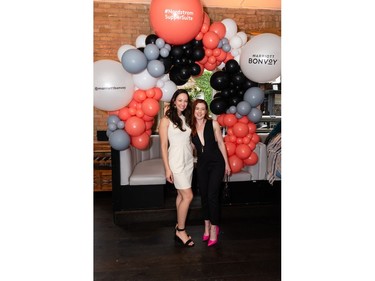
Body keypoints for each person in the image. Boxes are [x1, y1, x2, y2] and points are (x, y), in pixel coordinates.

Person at [190, 99, 231, 247]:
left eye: (203, 109)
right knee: (204, 197)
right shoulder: (190, 128)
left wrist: (226, 164)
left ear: (206, 111)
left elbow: (221, 143)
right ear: (193, 110)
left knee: (212, 195)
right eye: (197, 109)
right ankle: (206, 226)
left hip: (217, 164)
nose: (200, 112)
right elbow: (190, 148)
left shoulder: (213, 124)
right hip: (201, 165)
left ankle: (214, 229)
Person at [159, 89, 195, 247]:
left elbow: (189, 141)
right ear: (174, 101)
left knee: (181, 196)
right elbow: (163, 145)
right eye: (180, 100)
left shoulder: (186, 118)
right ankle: (181, 230)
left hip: (188, 161)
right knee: (188, 196)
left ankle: (178, 226)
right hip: (176, 162)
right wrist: (167, 168)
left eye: (185, 101)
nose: (183, 103)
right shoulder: (166, 120)